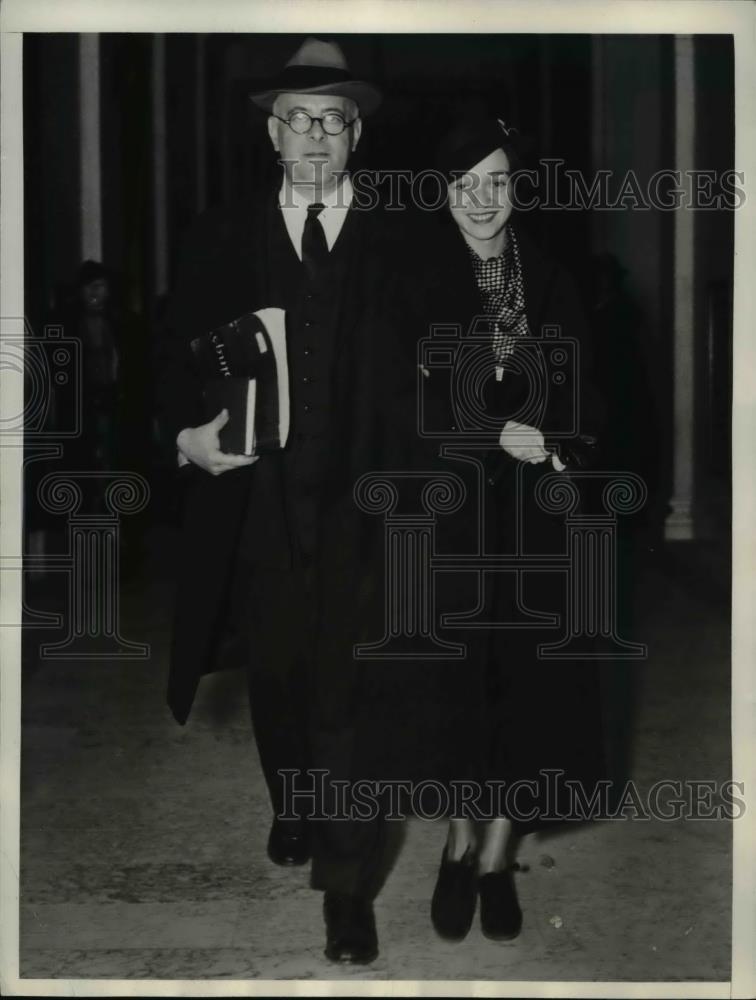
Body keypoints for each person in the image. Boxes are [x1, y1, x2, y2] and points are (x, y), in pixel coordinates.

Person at [159, 37, 405, 965]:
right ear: (272, 133)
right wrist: (185, 435)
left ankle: (347, 891)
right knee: (279, 675)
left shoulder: (396, 242)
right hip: (256, 503)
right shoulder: (221, 235)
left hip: (361, 508)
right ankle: (293, 801)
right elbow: (175, 350)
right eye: (298, 121)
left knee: (353, 691)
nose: (315, 138)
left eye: (333, 123)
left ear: (354, 140)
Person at [410, 117, 606, 943]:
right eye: (466, 183)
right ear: (443, 191)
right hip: (445, 513)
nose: (484, 199)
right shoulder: (411, 276)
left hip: (532, 516)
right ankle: (457, 841)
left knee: (524, 692)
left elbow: (590, 395)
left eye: (498, 180)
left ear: (518, 187)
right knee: (456, 688)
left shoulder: (554, 277)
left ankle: (495, 855)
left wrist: (556, 442)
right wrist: (487, 433)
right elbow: (394, 399)